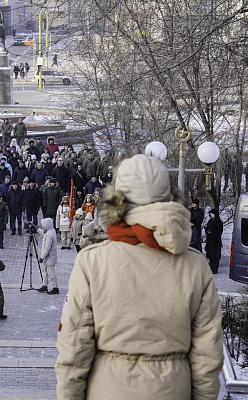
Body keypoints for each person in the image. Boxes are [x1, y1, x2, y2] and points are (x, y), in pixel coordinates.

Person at [56, 154, 223, 399]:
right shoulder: (195, 264)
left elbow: (74, 345)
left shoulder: (92, 260)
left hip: (108, 389)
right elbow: (208, 352)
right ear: (168, 198)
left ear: (118, 201)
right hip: (172, 389)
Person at [37, 217, 59, 294]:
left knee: (51, 273)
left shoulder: (50, 234)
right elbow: (44, 234)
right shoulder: (51, 231)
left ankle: (55, 287)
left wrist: (41, 257)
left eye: (44, 225)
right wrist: (37, 229)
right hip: (47, 257)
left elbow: (47, 248)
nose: (43, 227)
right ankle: (44, 285)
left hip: (49, 257)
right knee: (44, 271)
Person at [205, 208, 223, 274]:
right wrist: (207, 230)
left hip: (215, 241)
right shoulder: (210, 220)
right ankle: (211, 267)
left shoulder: (219, 222)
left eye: (212, 214)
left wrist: (211, 232)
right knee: (210, 255)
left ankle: (214, 268)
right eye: (211, 214)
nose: (211, 215)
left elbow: (219, 232)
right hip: (210, 240)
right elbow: (207, 228)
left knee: (215, 255)